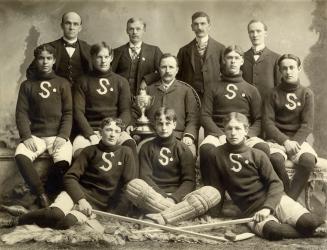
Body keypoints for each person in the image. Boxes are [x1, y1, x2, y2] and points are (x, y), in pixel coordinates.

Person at [0, 117, 137, 229]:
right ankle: (19, 219)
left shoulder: (126, 153)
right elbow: (70, 177)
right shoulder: (89, 151)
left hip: (97, 205)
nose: (112, 134)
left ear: (120, 134)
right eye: (108, 130)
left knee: (65, 223)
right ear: (100, 132)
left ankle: (34, 215)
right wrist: (81, 200)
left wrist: (112, 213)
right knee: (55, 215)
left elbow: (128, 184)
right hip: (77, 194)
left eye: (116, 131)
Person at [208, 112, 326, 240]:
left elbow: (275, 183)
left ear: (246, 130)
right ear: (224, 130)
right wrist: (212, 213)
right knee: (274, 231)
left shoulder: (257, 154)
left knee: (309, 222)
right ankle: (312, 231)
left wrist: (268, 207)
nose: (233, 133)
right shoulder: (215, 155)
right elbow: (216, 187)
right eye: (229, 128)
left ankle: (311, 227)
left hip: (276, 200)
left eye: (238, 128)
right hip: (252, 210)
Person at [126, 107, 220, 225]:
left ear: (174, 124)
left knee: (212, 192)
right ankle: (179, 215)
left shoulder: (183, 149)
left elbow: (189, 181)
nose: (164, 127)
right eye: (160, 124)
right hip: (153, 198)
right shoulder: (146, 147)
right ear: (155, 125)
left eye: (168, 123)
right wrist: (163, 198)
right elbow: (145, 177)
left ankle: (161, 217)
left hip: (179, 198)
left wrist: (174, 198)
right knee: (134, 185)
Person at [200, 45, 269, 185]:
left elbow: (259, 119)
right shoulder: (213, 87)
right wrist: (220, 135)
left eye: (236, 58)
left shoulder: (251, 90)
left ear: (242, 61)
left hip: (244, 134)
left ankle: (254, 189)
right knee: (206, 149)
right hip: (218, 133)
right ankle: (213, 191)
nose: (233, 61)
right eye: (229, 58)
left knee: (263, 148)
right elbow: (205, 115)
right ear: (224, 60)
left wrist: (247, 135)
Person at [15, 44, 72, 208]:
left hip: (58, 136)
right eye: (41, 58)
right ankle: (41, 194)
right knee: (20, 155)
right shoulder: (27, 85)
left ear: (54, 60)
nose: (45, 62)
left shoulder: (63, 83)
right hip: (36, 136)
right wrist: (26, 136)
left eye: (48, 58)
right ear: (36, 60)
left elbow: (68, 113)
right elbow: (21, 113)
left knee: (63, 163)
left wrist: (63, 135)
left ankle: (51, 194)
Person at [73, 42, 137, 165]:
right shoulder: (82, 81)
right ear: (92, 58)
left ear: (111, 58)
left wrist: (117, 129)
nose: (103, 61)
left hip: (114, 129)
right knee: (78, 152)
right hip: (92, 130)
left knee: (130, 145)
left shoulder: (121, 81)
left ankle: (132, 181)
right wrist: (90, 134)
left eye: (106, 57)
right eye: (99, 57)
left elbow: (126, 111)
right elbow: (78, 112)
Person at [263, 54, 317, 200]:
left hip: (298, 141)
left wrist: (294, 143)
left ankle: (290, 199)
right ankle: (285, 194)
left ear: (298, 69)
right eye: (284, 68)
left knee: (308, 160)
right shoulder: (272, 93)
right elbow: (268, 123)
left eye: (292, 67)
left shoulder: (306, 93)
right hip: (276, 140)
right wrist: (285, 141)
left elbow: (307, 125)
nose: (288, 71)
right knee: (275, 159)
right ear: (280, 70)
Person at [130, 53, 200, 156]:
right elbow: (135, 111)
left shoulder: (186, 91)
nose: (167, 71)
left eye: (171, 67)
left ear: (177, 70)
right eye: (164, 67)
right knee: (140, 151)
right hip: (152, 137)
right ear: (159, 69)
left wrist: (188, 135)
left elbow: (193, 118)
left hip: (178, 137)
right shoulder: (149, 89)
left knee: (189, 152)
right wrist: (131, 124)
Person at [26, 11, 92, 86]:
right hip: (56, 94)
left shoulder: (89, 49)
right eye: (68, 23)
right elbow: (31, 72)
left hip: (81, 95)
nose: (71, 27)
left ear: (80, 28)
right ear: (62, 26)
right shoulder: (48, 47)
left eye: (75, 24)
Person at [177, 11, 225, 100]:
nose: (199, 27)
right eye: (196, 24)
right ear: (192, 27)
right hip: (191, 98)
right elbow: (178, 77)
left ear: (209, 26)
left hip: (214, 98)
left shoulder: (220, 49)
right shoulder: (183, 51)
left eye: (203, 24)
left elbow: (226, 75)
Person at [111, 17, 163, 96]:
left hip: (145, 97)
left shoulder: (154, 51)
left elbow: (163, 71)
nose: (134, 32)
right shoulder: (117, 52)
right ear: (127, 31)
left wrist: (146, 80)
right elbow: (109, 74)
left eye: (138, 29)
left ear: (144, 30)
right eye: (131, 29)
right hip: (121, 97)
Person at [242, 20, 281, 100]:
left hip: (268, 105)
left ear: (265, 33)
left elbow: (279, 87)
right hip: (246, 105)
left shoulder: (276, 58)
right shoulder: (241, 57)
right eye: (251, 32)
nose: (255, 35)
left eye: (258, 31)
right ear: (249, 34)